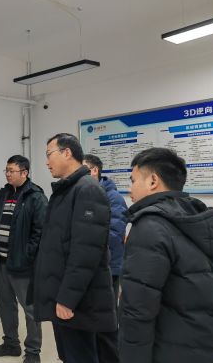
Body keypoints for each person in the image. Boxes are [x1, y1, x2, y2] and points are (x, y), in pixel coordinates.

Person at [119, 147, 213, 363]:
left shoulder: (150, 226)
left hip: (171, 351)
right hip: (211, 343)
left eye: (133, 181)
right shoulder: (204, 220)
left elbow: (138, 308)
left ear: (153, 181)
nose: (130, 189)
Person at [29, 133, 116, 363]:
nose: (46, 162)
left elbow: (85, 252)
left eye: (49, 154)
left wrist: (67, 298)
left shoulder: (87, 189)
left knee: (80, 356)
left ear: (67, 153)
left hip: (78, 300)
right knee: (68, 356)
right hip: (64, 294)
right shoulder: (67, 189)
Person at [0, 155, 48, 363]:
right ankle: (11, 344)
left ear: (25, 172)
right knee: (5, 304)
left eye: (11, 171)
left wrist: (27, 256)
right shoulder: (4, 193)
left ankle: (33, 351)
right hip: (2, 261)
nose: (7, 174)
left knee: (30, 310)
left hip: (23, 264)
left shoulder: (36, 197)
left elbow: (41, 232)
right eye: (6, 170)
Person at [83, 154, 127, 363]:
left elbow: (114, 235)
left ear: (94, 171)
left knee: (107, 320)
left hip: (109, 267)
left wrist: (85, 246)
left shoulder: (114, 198)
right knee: (91, 318)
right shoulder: (85, 194)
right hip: (89, 266)